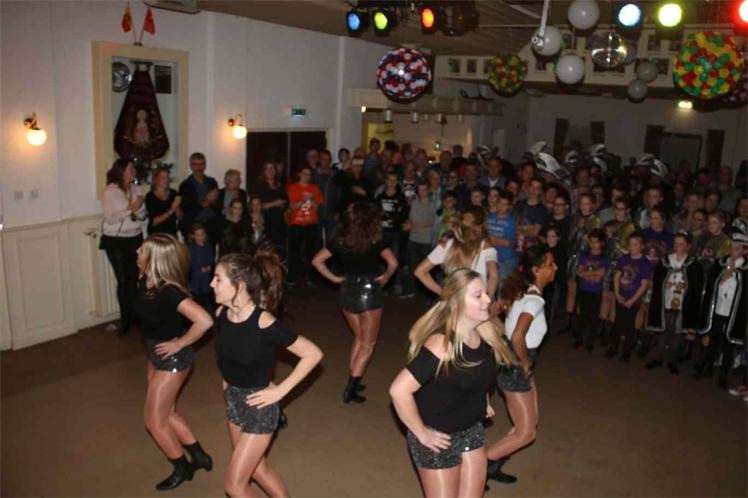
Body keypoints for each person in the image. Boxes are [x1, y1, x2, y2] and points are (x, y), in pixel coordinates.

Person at [389, 269, 515, 497]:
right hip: (438, 437)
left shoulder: (485, 334)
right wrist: (421, 432)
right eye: (478, 295)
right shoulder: (442, 344)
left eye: (486, 293)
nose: (488, 299)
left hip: (471, 430)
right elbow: (398, 391)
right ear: (456, 303)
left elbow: (479, 374)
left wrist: (482, 399)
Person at [212, 249, 323, 497]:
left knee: (234, 486)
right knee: (257, 469)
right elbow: (230, 353)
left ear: (239, 286)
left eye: (218, 279)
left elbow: (313, 354)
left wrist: (281, 391)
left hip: (260, 407)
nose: (211, 284)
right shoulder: (222, 314)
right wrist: (227, 381)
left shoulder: (264, 323)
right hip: (233, 400)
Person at [134, 233, 214, 491]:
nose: (137, 251)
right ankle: (199, 455)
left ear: (154, 258)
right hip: (155, 354)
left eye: (142, 249)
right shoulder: (145, 280)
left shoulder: (169, 291)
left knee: (153, 422)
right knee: (166, 413)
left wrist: (179, 344)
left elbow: (205, 321)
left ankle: (182, 468)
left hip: (173, 359)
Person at [312, 203, 398, 403]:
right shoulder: (375, 238)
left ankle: (354, 377)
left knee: (360, 337)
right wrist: (386, 276)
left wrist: (334, 278)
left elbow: (316, 261)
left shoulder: (341, 238)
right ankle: (351, 388)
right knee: (368, 343)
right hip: (369, 292)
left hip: (347, 290)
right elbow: (393, 262)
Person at [486, 245, 558, 484]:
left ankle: (493, 464)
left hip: (514, 363)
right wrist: (524, 362)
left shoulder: (522, 291)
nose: (555, 267)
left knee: (528, 423)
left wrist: (508, 343)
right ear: (536, 270)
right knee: (526, 433)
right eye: (550, 264)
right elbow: (518, 336)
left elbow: (494, 316)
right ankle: (481, 463)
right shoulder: (534, 300)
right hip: (516, 367)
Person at [691, 232, 748, 388]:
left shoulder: (744, 269)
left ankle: (723, 375)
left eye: (738, 249)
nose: (733, 251)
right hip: (718, 308)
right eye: (732, 248)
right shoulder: (721, 263)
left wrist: (733, 276)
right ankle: (708, 368)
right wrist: (721, 278)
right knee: (713, 339)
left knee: (728, 344)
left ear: (744, 251)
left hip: (733, 312)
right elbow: (712, 283)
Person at [645, 232, 704, 374]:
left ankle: (672, 360)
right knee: (662, 331)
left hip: (682, 304)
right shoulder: (665, 261)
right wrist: (666, 283)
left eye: (681, 244)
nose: (677, 247)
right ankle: (656, 357)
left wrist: (685, 286)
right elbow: (658, 279)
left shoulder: (693, 264)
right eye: (676, 244)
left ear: (688, 246)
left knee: (677, 335)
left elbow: (696, 285)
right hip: (666, 301)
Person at [100, 158, 147, 335]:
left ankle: (136, 316)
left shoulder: (135, 188)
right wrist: (131, 209)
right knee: (123, 280)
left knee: (136, 279)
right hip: (117, 241)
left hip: (135, 237)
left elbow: (142, 213)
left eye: (134, 168)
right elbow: (111, 218)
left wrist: (139, 212)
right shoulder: (110, 191)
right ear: (121, 171)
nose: (134, 171)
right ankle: (125, 319)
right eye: (130, 168)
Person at [415, 206, 499, 298]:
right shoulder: (486, 246)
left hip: (455, 301)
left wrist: (443, 293)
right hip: (477, 301)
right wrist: (489, 297)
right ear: (482, 226)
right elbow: (493, 276)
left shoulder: (447, 244)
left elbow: (420, 271)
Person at [605, 232, 653, 361]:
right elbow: (617, 277)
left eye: (635, 244)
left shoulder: (645, 263)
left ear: (642, 246)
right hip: (621, 295)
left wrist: (632, 300)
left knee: (630, 324)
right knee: (618, 322)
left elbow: (643, 285)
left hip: (634, 299)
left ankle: (626, 350)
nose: (632, 247)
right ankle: (613, 346)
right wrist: (617, 294)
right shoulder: (623, 259)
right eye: (630, 244)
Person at [572, 229, 610, 350]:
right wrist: (593, 274)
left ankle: (590, 340)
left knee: (594, 316)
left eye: (596, 242)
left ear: (602, 243)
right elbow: (579, 272)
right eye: (591, 241)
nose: (593, 244)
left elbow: (600, 275)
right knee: (582, 314)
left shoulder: (604, 258)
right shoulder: (584, 255)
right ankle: (579, 338)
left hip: (596, 291)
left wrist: (586, 274)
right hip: (584, 289)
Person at [286, 165, 324, 287]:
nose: (307, 176)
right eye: (305, 173)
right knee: (294, 253)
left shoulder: (315, 188)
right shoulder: (293, 187)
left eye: (309, 174)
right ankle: (292, 277)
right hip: (296, 224)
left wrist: (311, 200)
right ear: (300, 174)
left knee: (311, 252)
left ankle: (310, 277)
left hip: (311, 224)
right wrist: (304, 200)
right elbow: (292, 206)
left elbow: (318, 207)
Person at [402, 182, 437, 300]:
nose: (422, 192)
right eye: (420, 190)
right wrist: (407, 225)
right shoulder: (414, 203)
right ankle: (412, 291)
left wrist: (413, 225)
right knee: (412, 266)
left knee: (425, 269)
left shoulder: (432, 204)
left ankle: (427, 294)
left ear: (428, 190)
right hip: (413, 238)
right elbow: (410, 219)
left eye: (424, 189)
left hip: (426, 240)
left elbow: (431, 222)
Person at [178, 152, 220, 243]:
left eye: (201, 164)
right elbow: (186, 210)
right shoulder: (185, 185)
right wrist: (206, 201)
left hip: (212, 225)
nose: (199, 167)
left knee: (210, 251)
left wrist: (214, 201)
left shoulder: (212, 182)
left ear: (205, 165)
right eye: (195, 164)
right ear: (191, 166)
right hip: (194, 226)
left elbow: (217, 205)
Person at [252, 161, 288, 257]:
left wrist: (284, 206)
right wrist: (275, 203)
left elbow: (285, 202)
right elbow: (256, 205)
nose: (270, 170)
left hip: (279, 222)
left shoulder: (280, 185)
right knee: (266, 251)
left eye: (272, 168)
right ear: (264, 171)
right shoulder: (258, 185)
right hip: (265, 222)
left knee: (279, 251)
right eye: (267, 168)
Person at [146, 167, 181, 236]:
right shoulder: (150, 196)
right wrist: (171, 210)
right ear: (156, 179)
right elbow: (154, 222)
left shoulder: (173, 193)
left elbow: (179, 217)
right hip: (156, 234)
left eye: (167, 177)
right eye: (163, 177)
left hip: (171, 233)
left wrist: (177, 206)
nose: (166, 180)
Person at [187, 223, 215, 311]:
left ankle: (206, 306)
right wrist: (199, 268)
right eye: (198, 235)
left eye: (202, 234)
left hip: (206, 273)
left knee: (206, 290)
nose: (201, 237)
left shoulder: (208, 246)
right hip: (197, 274)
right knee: (196, 291)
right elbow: (191, 261)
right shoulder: (192, 248)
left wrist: (210, 266)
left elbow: (211, 257)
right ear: (193, 236)